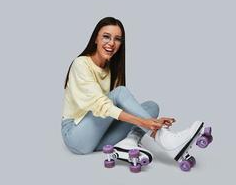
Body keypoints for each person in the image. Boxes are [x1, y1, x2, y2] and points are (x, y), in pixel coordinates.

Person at [61, 17, 205, 167]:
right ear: (95, 39)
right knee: (120, 93)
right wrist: (146, 123)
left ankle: (129, 142)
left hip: (98, 138)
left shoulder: (111, 69)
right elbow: (102, 106)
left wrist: (150, 120)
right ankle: (166, 140)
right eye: (106, 36)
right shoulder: (81, 64)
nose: (111, 43)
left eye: (117, 39)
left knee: (151, 107)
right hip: (75, 135)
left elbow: (115, 111)